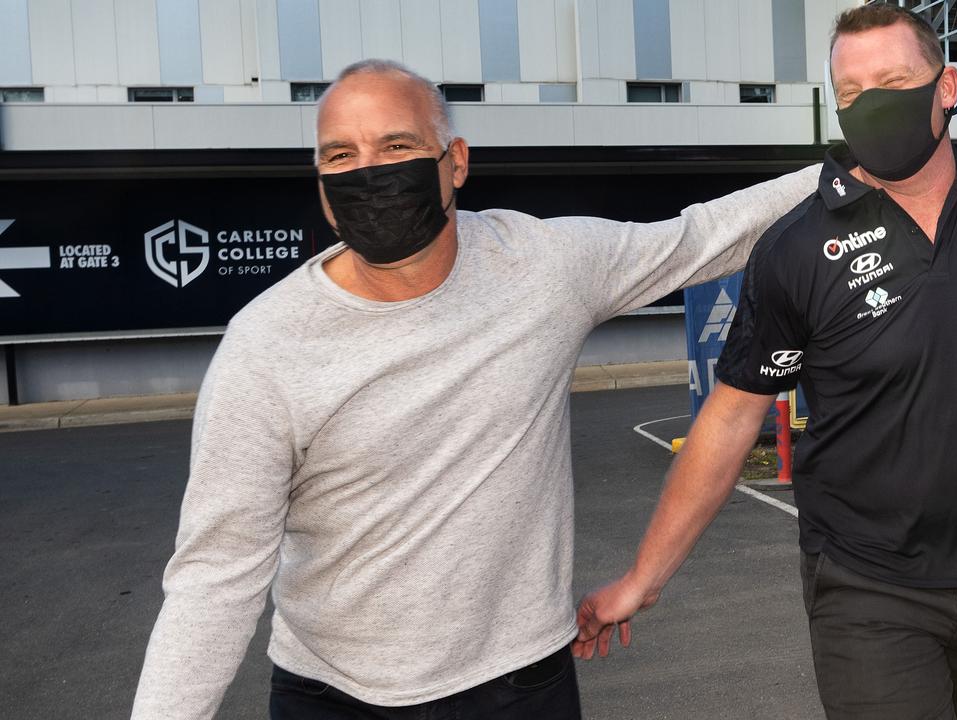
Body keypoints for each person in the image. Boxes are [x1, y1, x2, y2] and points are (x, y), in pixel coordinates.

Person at [130, 59, 819, 720]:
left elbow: (702, 238)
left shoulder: (542, 267)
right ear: (319, 182)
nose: (368, 172)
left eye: (396, 144)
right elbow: (215, 575)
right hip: (333, 695)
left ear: (455, 161)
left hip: (520, 685)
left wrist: (863, 165)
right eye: (340, 156)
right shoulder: (267, 345)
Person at [573, 6, 957, 720]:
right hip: (868, 588)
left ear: (947, 88)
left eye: (893, 80)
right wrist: (645, 576)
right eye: (850, 95)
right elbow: (731, 417)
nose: (872, 105)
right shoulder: (796, 249)